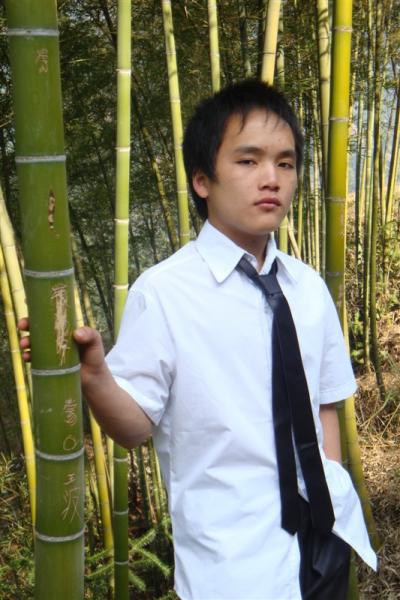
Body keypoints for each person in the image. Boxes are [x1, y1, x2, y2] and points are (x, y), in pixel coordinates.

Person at [20, 79, 377, 599]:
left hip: (325, 542)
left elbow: (325, 404)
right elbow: (133, 428)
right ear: (202, 180)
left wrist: (333, 492)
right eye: (248, 160)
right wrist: (92, 375)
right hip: (231, 566)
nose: (271, 178)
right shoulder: (164, 292)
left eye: (285, 163)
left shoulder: (307, 287)